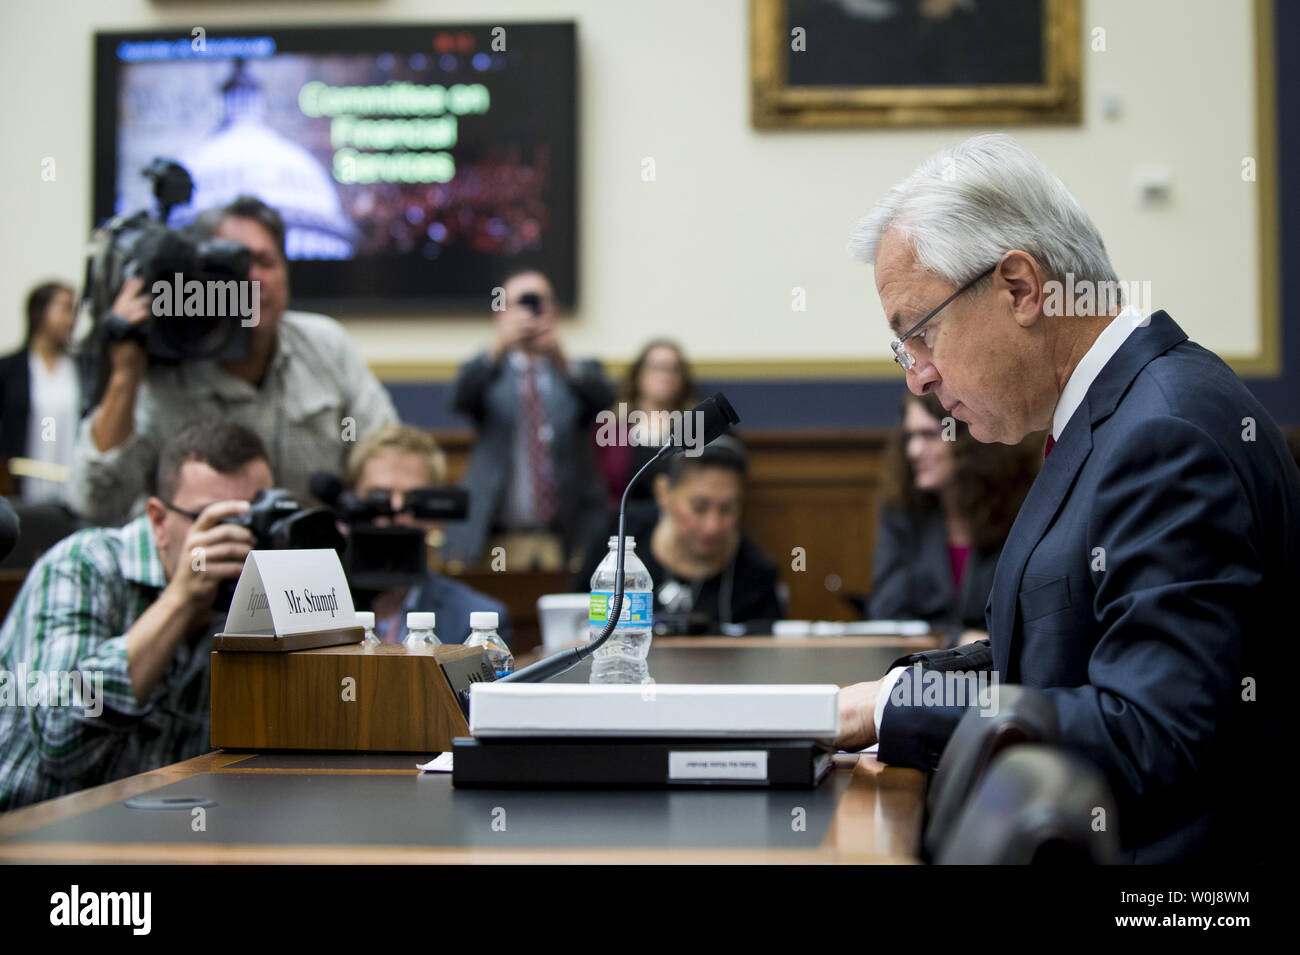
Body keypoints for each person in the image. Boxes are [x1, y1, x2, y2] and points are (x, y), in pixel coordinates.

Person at [834, 133, 1297, 862]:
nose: (917, 376)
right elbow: (1056, 653)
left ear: (1021, 289)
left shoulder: (1166, 435)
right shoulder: (1117, 414)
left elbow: (1153, 730)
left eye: (920, 334)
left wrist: (898, 710)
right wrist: (891, 694)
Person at [68, 195, 397, 526]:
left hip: (312, 555)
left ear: (286, 272)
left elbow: (383, 450)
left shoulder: (326, 346)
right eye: (234, 267)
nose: (253, 279)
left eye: (266, 262)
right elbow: (95, 501)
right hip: (198, 556)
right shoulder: (162, 368)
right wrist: (125, 375)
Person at [0, 422, 270, 810]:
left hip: (164, 828)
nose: (236, 541)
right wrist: (180, 600)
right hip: (36, 824)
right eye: (215, 522)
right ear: (159, 521)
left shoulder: (255, 595)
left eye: (251, 521)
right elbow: (61, 739)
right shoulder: (83, 565)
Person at [442, 268, 613, 569]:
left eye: (538, 302)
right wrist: (498, 346)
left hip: (566, 537)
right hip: (496, 538)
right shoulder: (489, 371)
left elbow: (604, 402)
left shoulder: (577, 371)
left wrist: (561, 360)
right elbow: (460, 399)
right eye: (520, 303)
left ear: (554, 311)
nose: (530, 313)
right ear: (501, 313)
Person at [869, 390, 1039, 641]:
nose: (914, 450)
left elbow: (1033, 612)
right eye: (910, 437)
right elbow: (888, 613)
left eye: (929, 435)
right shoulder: (904, 512)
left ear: (968, 438)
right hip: (924, 659)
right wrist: (956, 639)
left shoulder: (1018, 509)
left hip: (1002, 659)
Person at [574, 436, 783, 630]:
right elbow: (575, 620)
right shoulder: (619, 538)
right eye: (699, 507)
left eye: (727, 509)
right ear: (663, 493)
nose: (713, 526)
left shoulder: (757, 573)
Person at [345, 423, 510, 645]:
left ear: (436, 516)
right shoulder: (320, 611)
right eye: (379, 496)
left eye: (413, 499)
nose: (396, 508)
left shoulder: (475, 623)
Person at [0, 281, 81, 506]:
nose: (72, 319)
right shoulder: (9, 369)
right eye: (65, 308)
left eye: (74, 311)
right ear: (39, 312)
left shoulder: (81, 371)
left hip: (71, 496)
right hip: (19, 494)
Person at [594, 338, 699, 507]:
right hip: (625, 516)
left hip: (681, 518)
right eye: (657, 367)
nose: (666, 376)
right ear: (639, 374)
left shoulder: (695, 426)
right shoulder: (611, 426)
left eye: (674, 369)